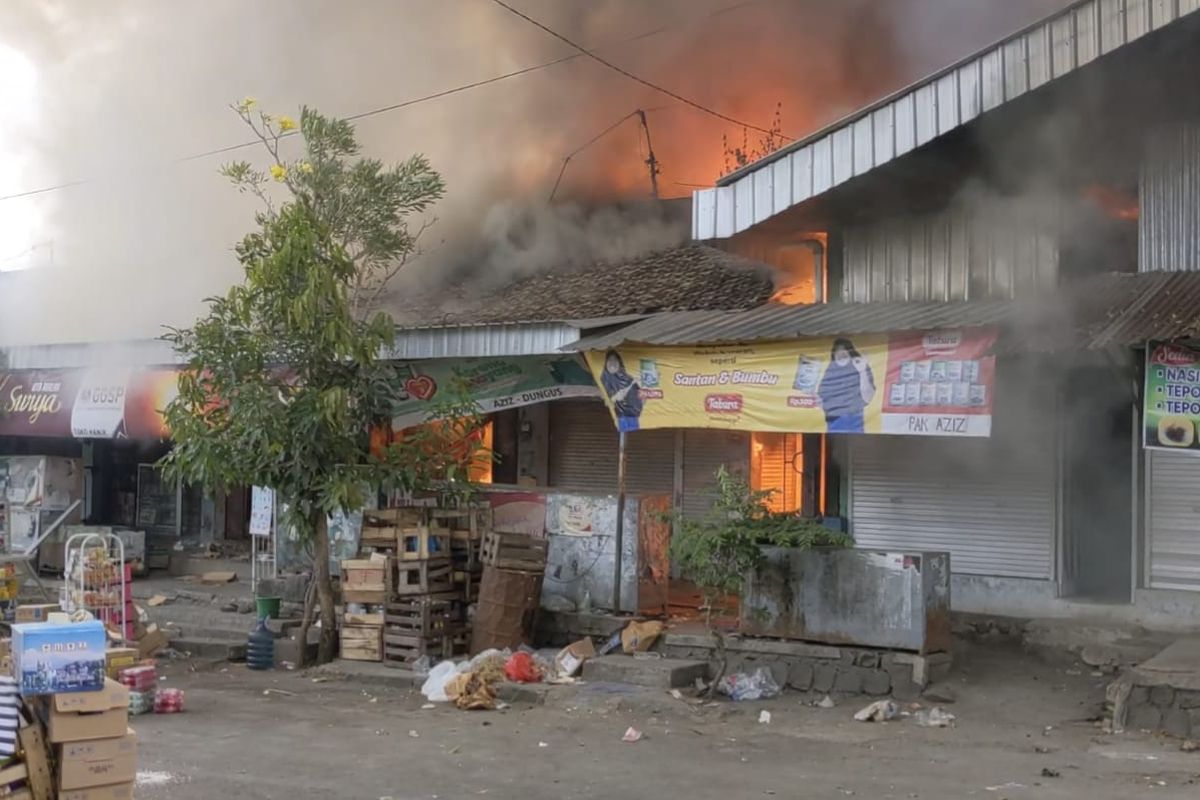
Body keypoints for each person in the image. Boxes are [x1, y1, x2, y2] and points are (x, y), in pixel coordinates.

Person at [817, 338, 875, 433]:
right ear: (834, 355)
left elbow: (868, 398)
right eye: (838, 352)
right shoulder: (830, 371)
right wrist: (816, 400)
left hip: (854, 421)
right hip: (833, 422)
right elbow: (822, 400)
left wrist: (862, 371)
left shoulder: (860, 366)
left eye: (844, 353)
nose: (841, 356)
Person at [599, 350, 643, 431]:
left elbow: (639, 390)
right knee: (625, 426)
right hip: (622, 409)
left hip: (633, 407)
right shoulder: (606, 378)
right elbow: (613, 396)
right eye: (610, 362)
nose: (612, 365)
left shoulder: (626, 375)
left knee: (632, 426)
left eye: (614, 361)